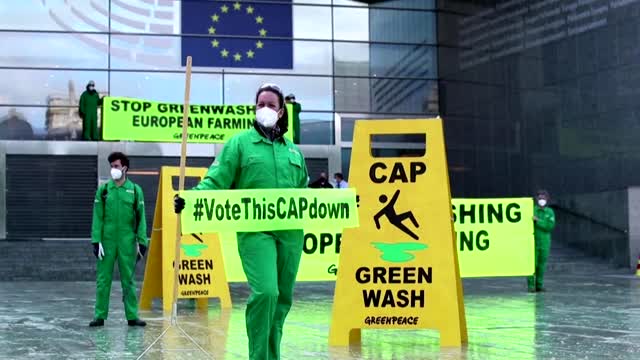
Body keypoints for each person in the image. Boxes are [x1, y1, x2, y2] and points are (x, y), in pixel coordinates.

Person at [174, 83, 309, 360]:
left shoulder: (294, 151)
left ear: (281, 111)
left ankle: (273, 356)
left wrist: (339, 205)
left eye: (271, 105)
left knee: (282, 299)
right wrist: (192, 198)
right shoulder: (239, 144)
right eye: (261, 104)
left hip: (291, 234)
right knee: (266, 293)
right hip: (255, 231)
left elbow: (305, 193)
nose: (265, 109)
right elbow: (216, 179)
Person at [89, 152, 148, 327]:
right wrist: (95, 240)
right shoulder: (104, 190)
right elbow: (98, 216)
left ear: (124, 168)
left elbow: (141, 217)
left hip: (127, 242)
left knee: (128, 280)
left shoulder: (135, 191)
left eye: (116, 166)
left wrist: (142, 242)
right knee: (103, 279)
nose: (113, 169)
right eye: (111, 166)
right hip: (106, 242)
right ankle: (99, 315)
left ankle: (132, 316)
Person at [527, 189, 556, 293]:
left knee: (542, 265)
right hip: (533, 241)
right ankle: (531, 286)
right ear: (536, 199)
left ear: (547, 199)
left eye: (543, 198)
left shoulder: (550, 212)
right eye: (540, 198)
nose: (541, 200)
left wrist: (538, 221)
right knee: (531, 264)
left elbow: (550, 226)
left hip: (545, 242)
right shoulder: (531, 210)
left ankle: (539, 285)